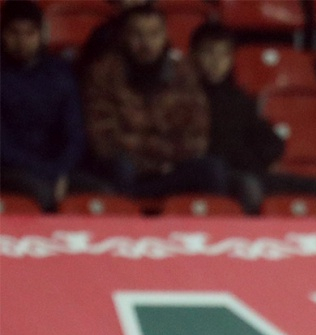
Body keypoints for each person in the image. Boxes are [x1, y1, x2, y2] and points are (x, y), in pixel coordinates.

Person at [82, 4, 226, 200]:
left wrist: (162, 160)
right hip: (127, 173)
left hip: (171, 171)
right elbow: (103, 139)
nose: (146, 43)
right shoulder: (104, 74)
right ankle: (125, 217)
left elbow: (196, 137)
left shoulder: (183, 73)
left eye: (154, 34)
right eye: (137, 35)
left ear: (165, 35)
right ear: (124, 36)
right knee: (120, 167)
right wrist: (155, 157)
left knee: (212, 169)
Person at [189, 21, 316, 213]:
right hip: (217, 177)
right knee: (250, 187)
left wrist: (267, 158)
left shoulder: (238, 97)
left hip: (253, 172)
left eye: (223, 55)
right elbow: (213, 150)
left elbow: (269, 139)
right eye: (209, 53)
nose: (216, 62)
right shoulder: (186, 96)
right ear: (194, 55)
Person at [0, 0, 87, 211]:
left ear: (41, 34)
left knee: (106, 195)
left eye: (29, 33)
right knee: (43, 195)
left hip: (57, 169)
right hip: (9, 170)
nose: (22, 41)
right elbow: (2, 146)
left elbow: (75, 134)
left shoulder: (60, 73)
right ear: (3, 34)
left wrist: (60, 169)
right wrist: (48, 173)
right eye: (14, 33)